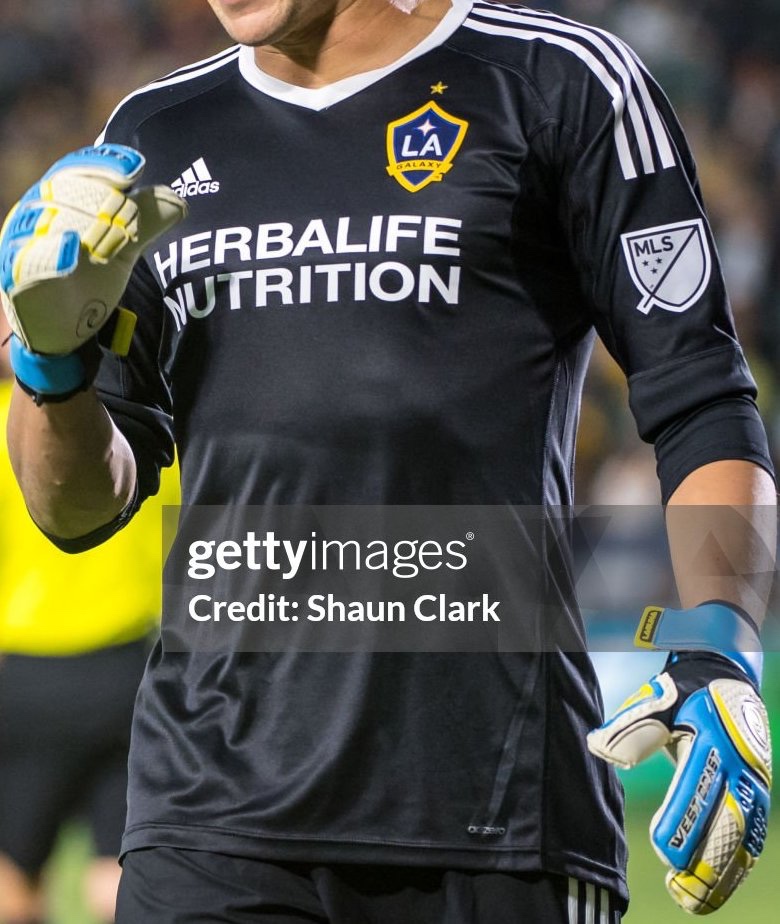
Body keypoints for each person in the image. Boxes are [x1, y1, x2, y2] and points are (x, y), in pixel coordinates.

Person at [0, 1, 775, 921]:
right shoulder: (150, 140)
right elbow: (80, 509)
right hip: (210, 814)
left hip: (495, 813)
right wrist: (51, 370)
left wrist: (724, 642)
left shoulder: (561, 84)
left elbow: (702, 401)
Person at [0, 318, 179, 924]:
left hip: (26, 675)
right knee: (116, 876)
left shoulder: (13, 422)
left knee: (11, 876)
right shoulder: (140, 427)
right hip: (128, 669)